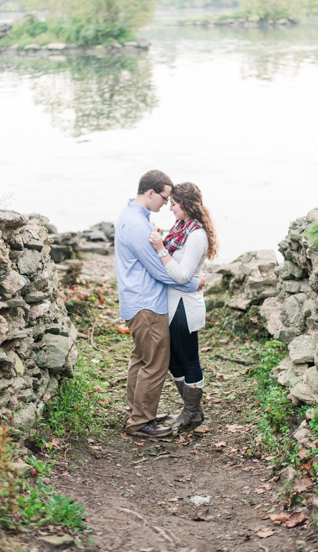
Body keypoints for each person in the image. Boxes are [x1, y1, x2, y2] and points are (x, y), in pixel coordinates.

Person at [115, 170, 205, 438]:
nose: (167, 204)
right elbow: (159, 270)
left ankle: (137, 413)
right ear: (151, 192)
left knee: (141, 359)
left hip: (137, 299)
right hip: (147, 304)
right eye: (165, 198)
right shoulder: (137, 225)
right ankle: (141, 422)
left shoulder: (132, 216)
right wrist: (194, 283)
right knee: (155, 363)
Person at [149, 182, 217, 431]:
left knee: (188, 361)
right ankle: (193, 412)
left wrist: (160, 249)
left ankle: (190, 412)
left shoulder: (196, 234)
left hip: (185, 308)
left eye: (174, 204)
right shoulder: (181, 227)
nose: (171, 209)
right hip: (172, 304)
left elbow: (181, 275)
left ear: (186, 205)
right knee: (174, 362)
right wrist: (161, 245)